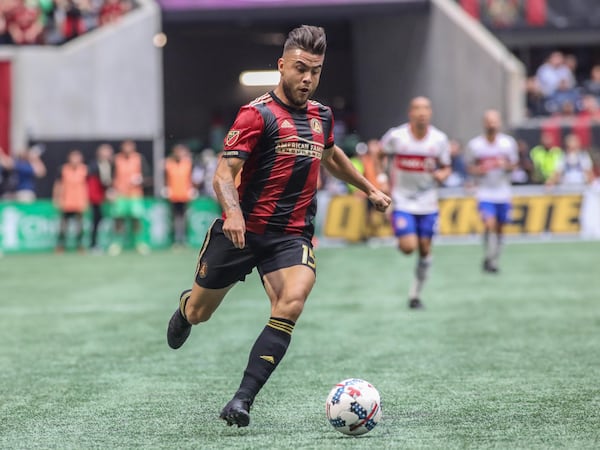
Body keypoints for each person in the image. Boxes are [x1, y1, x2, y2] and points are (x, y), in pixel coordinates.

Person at [165, 25, 390, 428]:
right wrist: (233, 213)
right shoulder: (257, 114)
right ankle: (185, 309)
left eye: (316, 71)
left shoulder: (322, 116)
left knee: (293, 299)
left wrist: (369, 189)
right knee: (201, 312)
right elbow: (223, 173)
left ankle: (241, 399)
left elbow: (332, 155)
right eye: (301, 68)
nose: (307, 79)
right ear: (282, 65)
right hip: (242, 231)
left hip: (291, 236)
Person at [379, 96, 451, 309]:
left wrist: (443, 175)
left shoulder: (439, 139)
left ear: (430, 113)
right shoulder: (396, 136)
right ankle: (400, 234)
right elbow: (379, 153)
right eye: (417, 108)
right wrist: (382, 178)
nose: (422, 112)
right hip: (402, 200)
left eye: (426, 108)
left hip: (428, 202)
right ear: (410, 113)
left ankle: (415, 295)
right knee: (408, 247)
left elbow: (446, 166)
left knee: (425, 249)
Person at [466, 110, 518, 274]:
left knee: (500, 228)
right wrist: (478, 170)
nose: (492, 124)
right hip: (485, 192)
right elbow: (469, 167)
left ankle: (492, 259)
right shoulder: (475, 145)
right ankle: (489, 256)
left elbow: (515, 165)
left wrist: (505, 166)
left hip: (503, 192)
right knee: (489, 224)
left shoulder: (508, 143)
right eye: (489, 121)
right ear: (484, 123)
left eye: (494, 121)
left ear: (499, 123)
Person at [108, 140, 150, 255]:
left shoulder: (139, 158)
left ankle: (140, 243)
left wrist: (140, 179)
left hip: (135, 195)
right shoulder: (116, 159)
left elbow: (147, 176)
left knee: (136, 220)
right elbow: (111, 177)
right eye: (125, 146)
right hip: (120, 195)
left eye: (130, 146)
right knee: (119, 219)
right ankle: (117, 244)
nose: (127, 148)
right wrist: (111, 191)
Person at [54, 149, 88, 252]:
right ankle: (61, 245)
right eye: (73, 157)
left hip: (79, 201)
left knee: (80, 226)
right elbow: (58, 185)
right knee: (63, 226)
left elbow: (87, 186)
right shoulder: (63, 169)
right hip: (67, 201)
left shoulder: (84, 169)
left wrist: (86, 200)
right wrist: (57, 198)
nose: (75, 160)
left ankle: (80, 245)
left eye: (77, 157)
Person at [164, 143, 194, 247]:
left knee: (184, 217)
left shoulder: (188, 163)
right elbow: (165, 178)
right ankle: (176, 239)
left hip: (185, 195)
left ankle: (184, 239)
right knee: (175, 218)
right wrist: (167, 189)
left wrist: (191, 189)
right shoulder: (169, 163)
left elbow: (192, 178)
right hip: (174, 195)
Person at [87, 143, 114, 251]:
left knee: (100, 220)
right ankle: (93, 244)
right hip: (95, 198)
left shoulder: (108, 165)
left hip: (102, 199)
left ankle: (97, 243)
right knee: (95, 221)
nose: (107, 154)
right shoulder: (95, 165)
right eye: (105, 152)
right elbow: (103, 182)